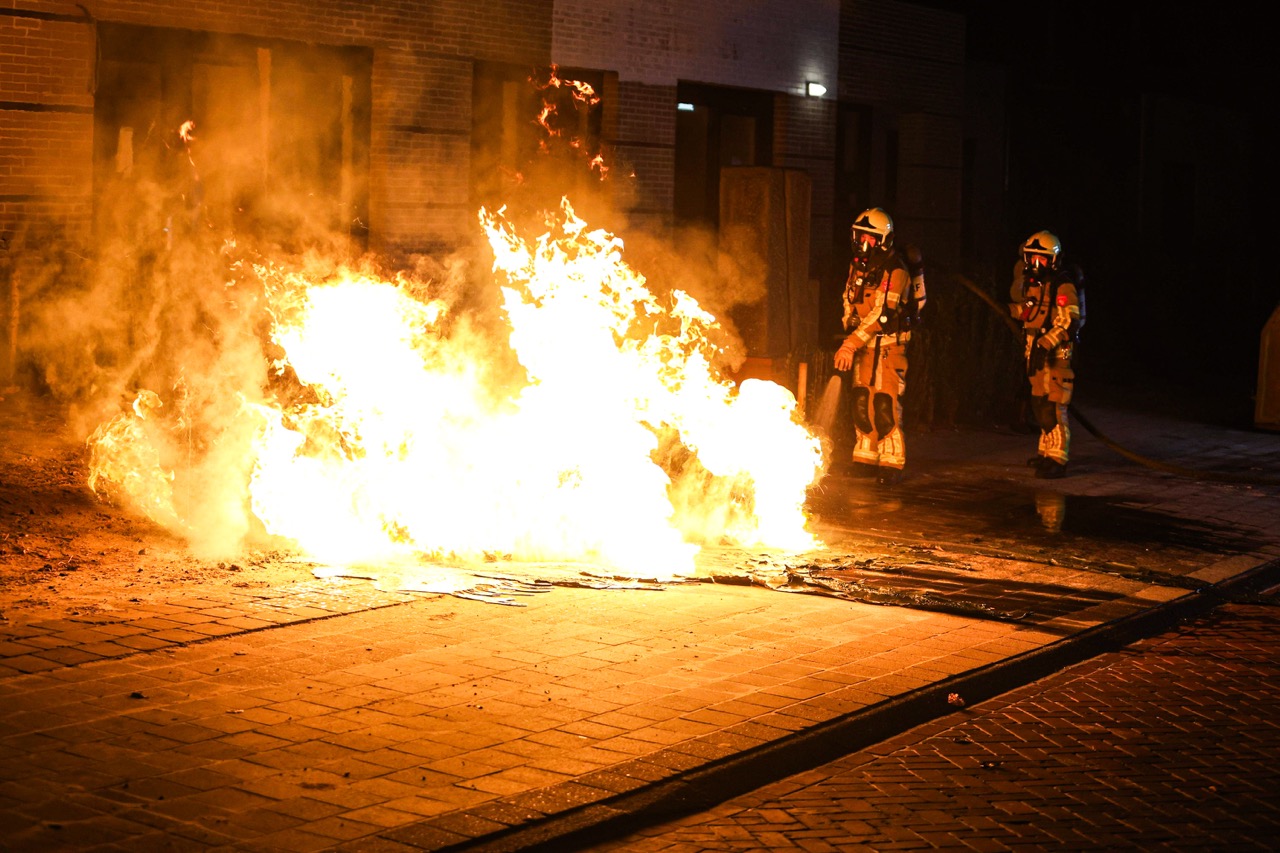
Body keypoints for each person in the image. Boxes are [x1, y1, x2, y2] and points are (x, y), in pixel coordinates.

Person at [833, 207, 926, 485]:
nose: (862, 243)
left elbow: (883, 312)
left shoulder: (895, 270)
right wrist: (848, 323)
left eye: (869, 238)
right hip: (864, 347)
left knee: (885, 404)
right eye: (859, 236)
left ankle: (892, 464)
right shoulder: (857, 266)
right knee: (861, 402)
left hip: (888, 348)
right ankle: (865, 458)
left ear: (883, 240)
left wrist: (850, 343)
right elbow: (849, 298)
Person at [1009, 230, 1083, 479]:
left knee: (1053, 407)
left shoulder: (1063, 285)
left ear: (1053, 260)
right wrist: (1013, 311)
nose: (1036, 265)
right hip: (1038, 355)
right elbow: (1029, 312)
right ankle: (1046, 453)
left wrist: (1044, 343)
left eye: (1042, 259)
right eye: (1032, 259)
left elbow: (1067, 321)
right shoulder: (1035, 286)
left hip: (1056, 357)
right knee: (1040, 404)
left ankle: (1058, 458)